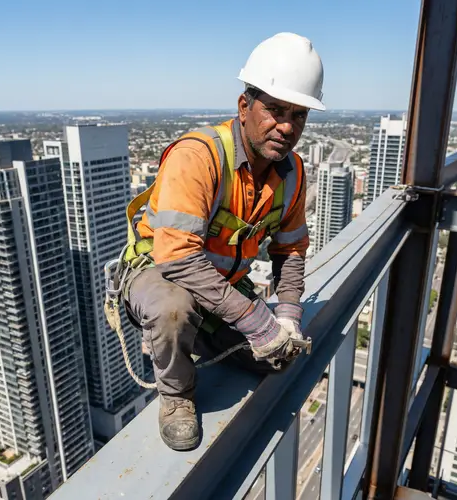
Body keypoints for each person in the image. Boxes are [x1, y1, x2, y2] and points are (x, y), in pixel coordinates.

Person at [123, 32, 324, 451]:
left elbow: (290, 249)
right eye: (274, 109)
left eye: (299, 115)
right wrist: (255, 320)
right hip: (161, 275)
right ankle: (176, 395)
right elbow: (177, 257)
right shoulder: (199, 157)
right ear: (244, 106)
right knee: (173, 310)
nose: (287, 126)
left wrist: (286, 316)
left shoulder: (291, 173)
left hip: (220, 285)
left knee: (274, 361)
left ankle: (207, 331)